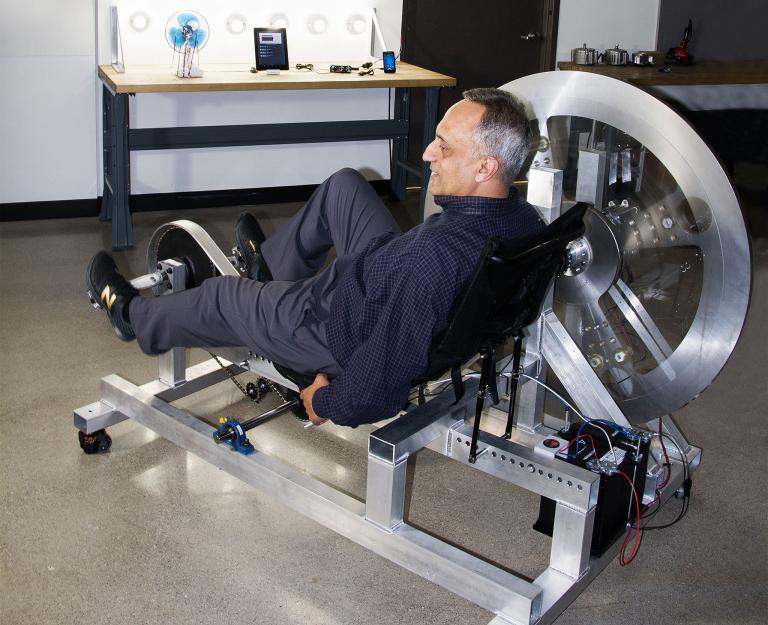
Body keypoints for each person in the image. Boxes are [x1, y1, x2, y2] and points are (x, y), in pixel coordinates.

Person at [86, 88, 544, 427]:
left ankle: (134, 317)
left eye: (443, 146)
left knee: (221, 296)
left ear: (486, 167)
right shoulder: (523, 222)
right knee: (344, 186)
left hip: (330, 325)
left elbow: (377, 385)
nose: (427, 154)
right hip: (377, 273)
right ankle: (270, 273)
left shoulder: (430, 261)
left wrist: (324, 402)